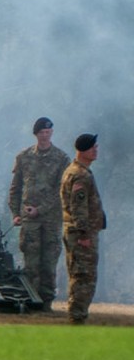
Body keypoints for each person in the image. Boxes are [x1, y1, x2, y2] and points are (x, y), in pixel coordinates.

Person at [7, 117, 70, 311]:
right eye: (42, 132)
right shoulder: (24, 157)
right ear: (36, 134)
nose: (46, 135)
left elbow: (62, 190)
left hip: (51, 220)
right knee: (30, 263)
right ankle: (30, 300)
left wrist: (40, 210)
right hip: (29, 221)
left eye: (49, 132)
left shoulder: (61, 158)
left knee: (49, 263)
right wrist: (16, 213)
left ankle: (46, 303)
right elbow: (16, 188)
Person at [60, 133, 107, 324]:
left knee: (82, 274)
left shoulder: (79, 172)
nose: (96, 150)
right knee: (83, 276)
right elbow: (78, 207)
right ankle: (77, 317)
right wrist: (84, 234)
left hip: (78, 232)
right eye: (93, 147)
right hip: (80, 235)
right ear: (83, 150)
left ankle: (78, 315)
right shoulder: (79, 174)